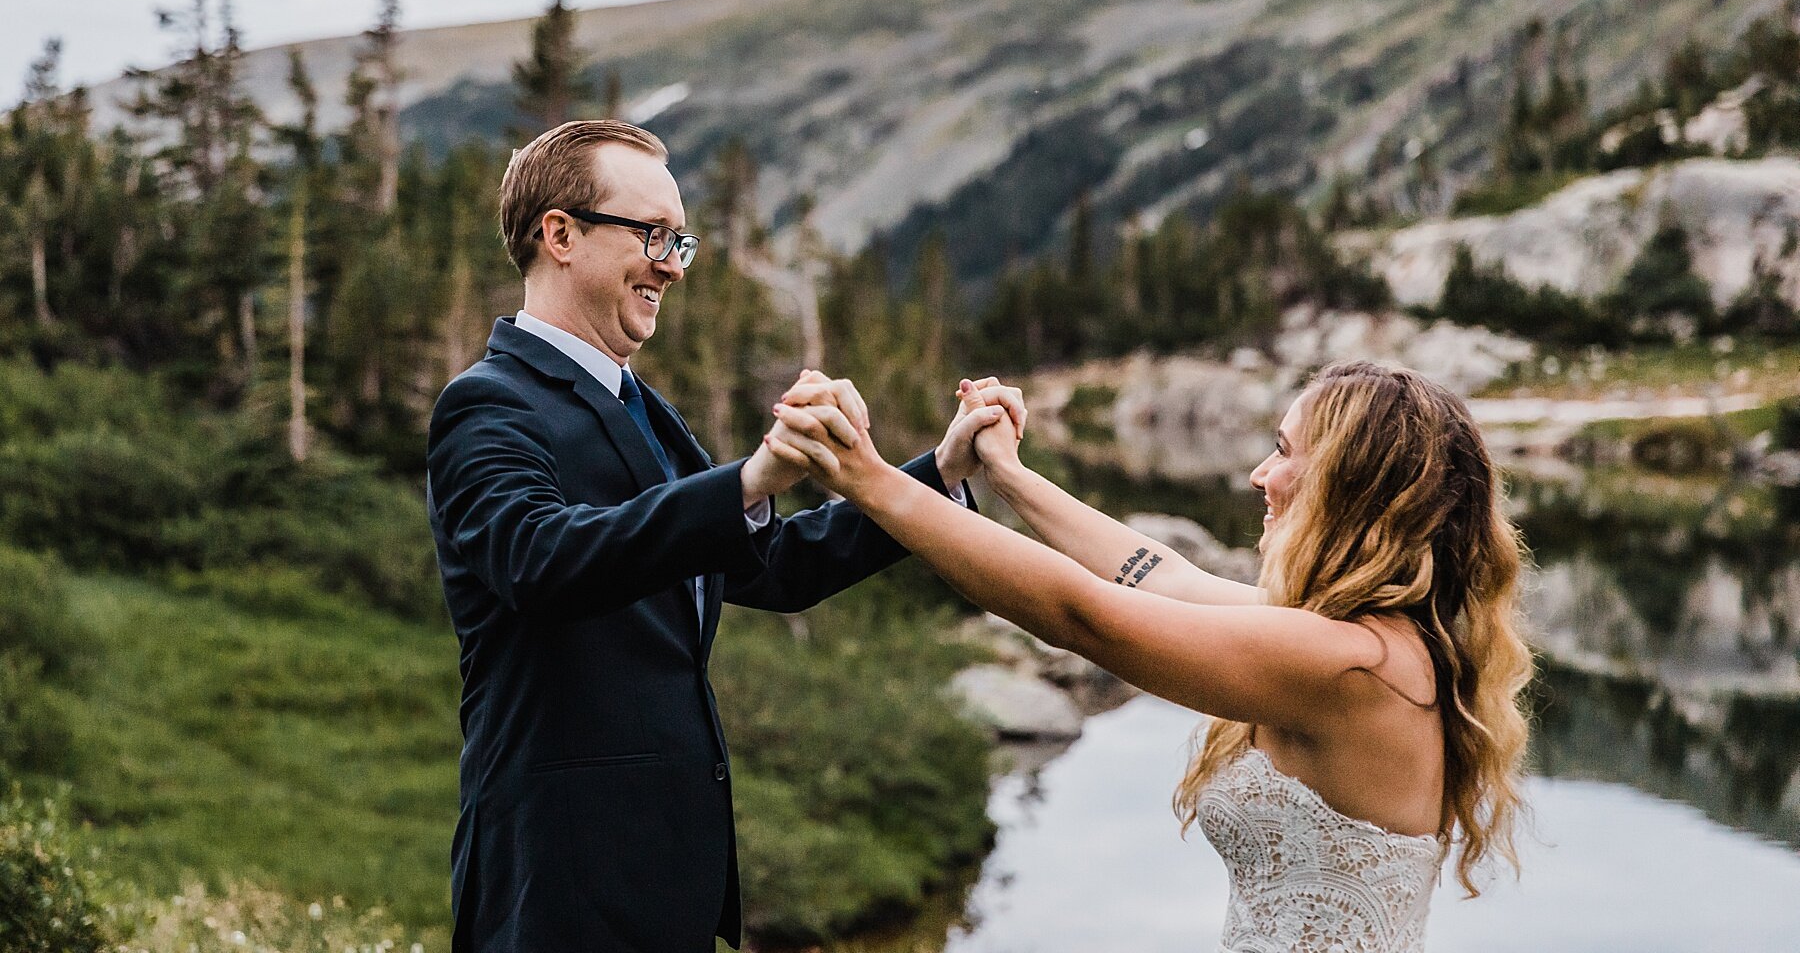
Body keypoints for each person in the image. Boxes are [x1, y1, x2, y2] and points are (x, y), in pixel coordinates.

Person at [424, 119, 1021, 952]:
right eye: (651, 234)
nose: (672, 263)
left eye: (680, 239)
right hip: (556, 886)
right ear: (559, 235)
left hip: (671, 883)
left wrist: (938, 475)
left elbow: (773, 567)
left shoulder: (645, 410)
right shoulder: (487, 405)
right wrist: (749, 478)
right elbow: (540, 558)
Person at [765, 359, 1534, 953]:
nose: (1260, 477)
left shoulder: (1350, 665)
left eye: (1283, 452)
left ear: (1353, 488)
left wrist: (870, 482)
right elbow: (1162, 575)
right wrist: (1007, 476)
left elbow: (1084, 616)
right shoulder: (1365, 639)